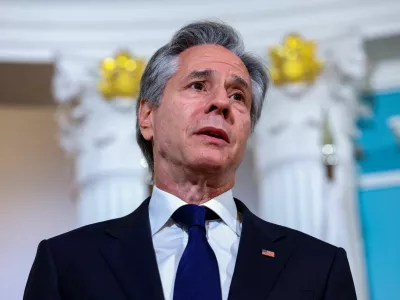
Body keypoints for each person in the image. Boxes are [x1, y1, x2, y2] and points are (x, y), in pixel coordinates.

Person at [24, 21, 357, 300]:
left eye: (238, 96)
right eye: (199, 86)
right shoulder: (68, 263)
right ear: (147, 116)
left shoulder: (317, 266)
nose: (222, 104)